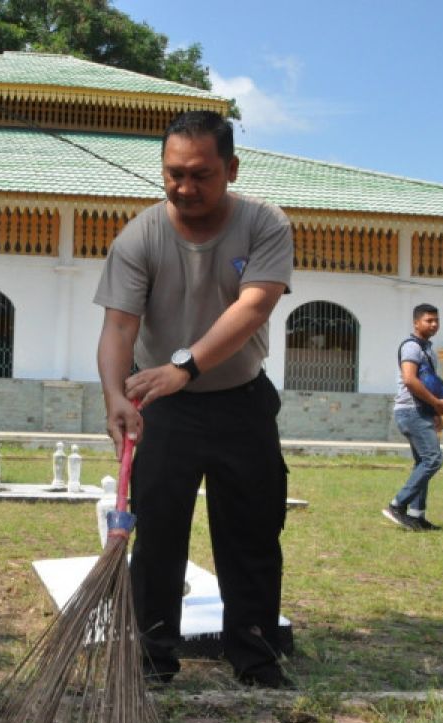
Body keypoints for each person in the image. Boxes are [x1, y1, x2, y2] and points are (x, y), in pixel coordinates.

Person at [94, 110, 294, 689]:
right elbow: (118, 328)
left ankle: (256, 661)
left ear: (231, 168)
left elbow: (254, 305)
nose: (186, 187)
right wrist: (114, 395)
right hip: (165, 407)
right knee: (158, 536)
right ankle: (153, 660)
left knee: (252, 533)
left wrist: (185, 364)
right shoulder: (140, 237)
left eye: (201, 174)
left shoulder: (265, 225)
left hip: (241, 401)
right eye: (174, 174)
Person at [382, 304, 443, 531]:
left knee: (423, 462)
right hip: (411, 410)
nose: (434, 324)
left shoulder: (427, 348)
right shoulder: (412, 347)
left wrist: (433, 412)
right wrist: (435, 403)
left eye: (436, 320)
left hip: (420, 411)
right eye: (429, 320)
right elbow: (410, 380)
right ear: (416, 323)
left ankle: (416, 515)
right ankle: (397, 504)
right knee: (433, 459)